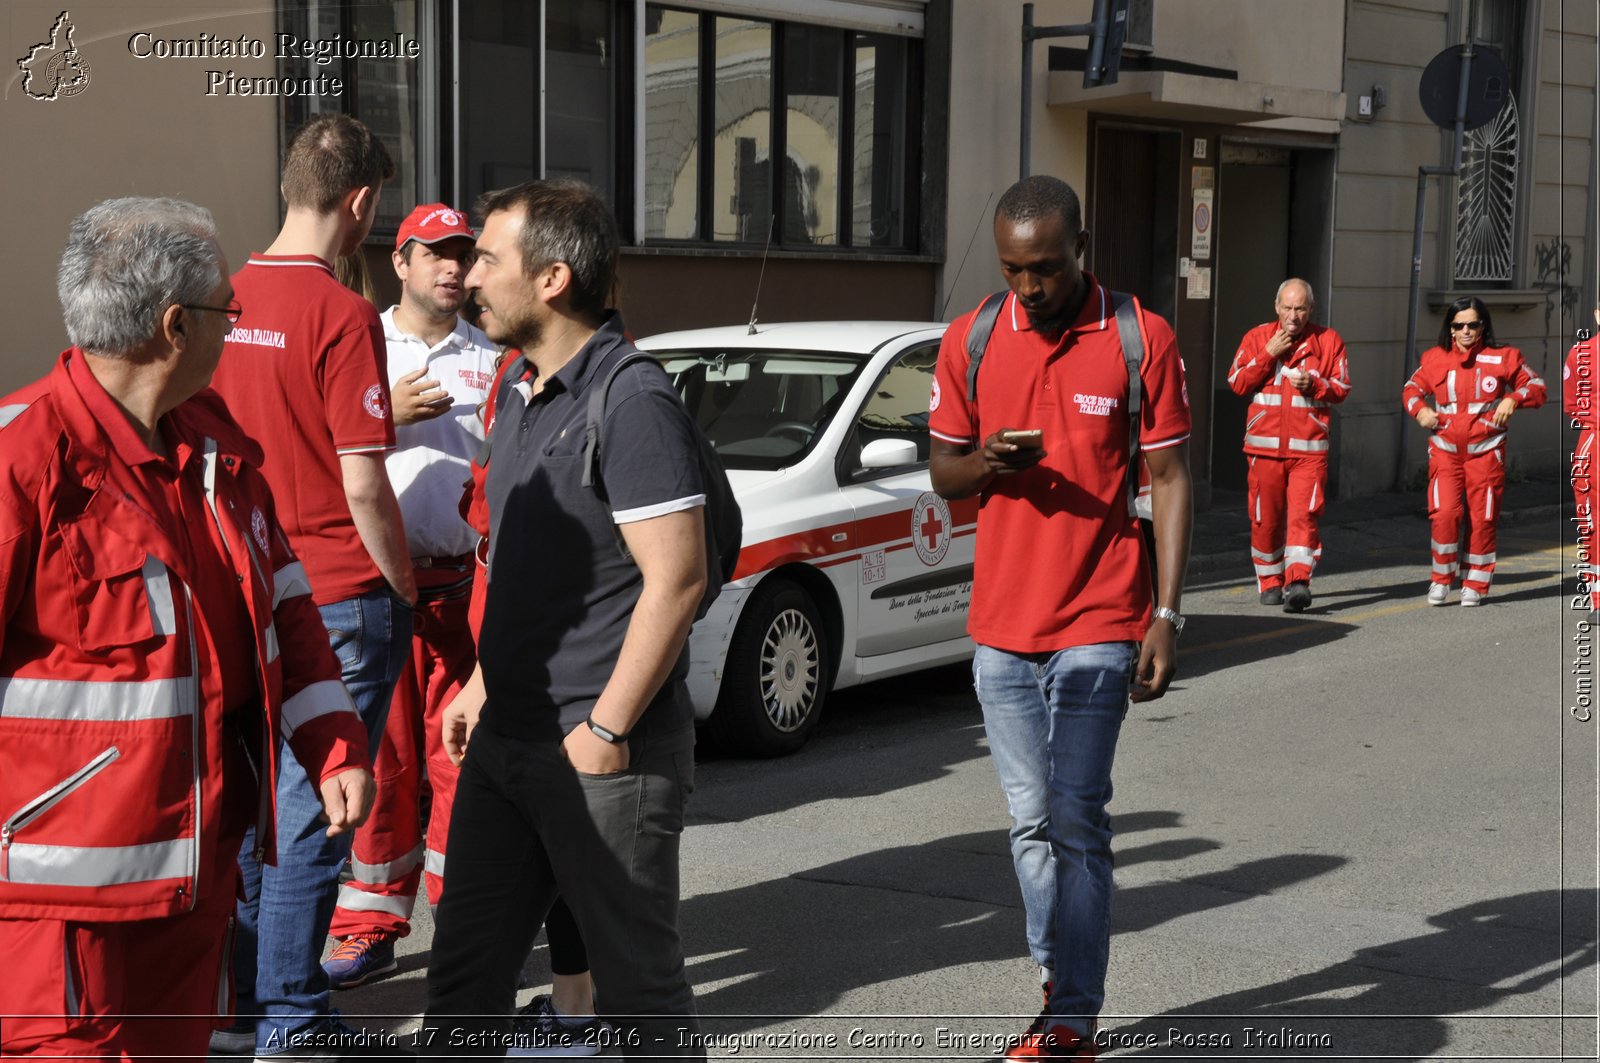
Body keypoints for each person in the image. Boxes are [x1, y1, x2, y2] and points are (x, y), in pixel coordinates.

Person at [0, 197, 372, 1060]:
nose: (236, 326)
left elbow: (286, 603)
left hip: (195, 887)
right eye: (227, 312)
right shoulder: (23, 461)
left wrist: (333, 737)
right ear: (176, 326)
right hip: (61, 917)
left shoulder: (217, 448)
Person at [422, 179, 706, 1059]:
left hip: (600, 752)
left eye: (490, 261)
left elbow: (680, 576)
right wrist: (477, 682)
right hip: (507, 738)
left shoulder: (632, 400)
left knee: (639, 992)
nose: (471, 278)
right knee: (464, 985)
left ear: (551, 279)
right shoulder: (521, 389)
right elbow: (514, 561)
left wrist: (608, 726)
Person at [930, 175, 1193, 1060]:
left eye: (1044, 268)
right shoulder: (970, 339)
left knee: (1077, 815)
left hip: (1099, 619)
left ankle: (1073, 1013)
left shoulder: (1136, 337)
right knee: (1030, 821)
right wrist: (990, 466)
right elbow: (943, 473)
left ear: (1080, 246)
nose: (1029, 288)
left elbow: (1170, 479)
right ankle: (1060, 974)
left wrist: (1167, 612)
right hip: (1000, 629)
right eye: (1013, 270)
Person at [210, 113, 418, 1056]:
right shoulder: (342, 314)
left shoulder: (225, 298)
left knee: (261, 808)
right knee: (317, 809)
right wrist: (403, 584)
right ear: (362, 202)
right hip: (336, 590)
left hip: (246, 591)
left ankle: (260, 999)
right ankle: (290, 1015)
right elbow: (365, 480)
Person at [322, 204, 497, 987]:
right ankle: (369, 922)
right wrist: (383, 413)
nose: (452, 269)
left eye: (463, 255)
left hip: (462, 590)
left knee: (462, 758)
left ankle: (460, 921)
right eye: (436, 254)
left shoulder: (492, 357)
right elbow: (317, 451)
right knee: (381, 765)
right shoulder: (359, 343)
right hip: (376, 586)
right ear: (402, 261)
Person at [1403, 297, 1546, 607]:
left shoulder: (1504, 357)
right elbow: (1410, 389)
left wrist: (1513, 399)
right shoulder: (1434, 358)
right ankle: (1441, 579)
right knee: (1445, 515)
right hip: (1445, 451)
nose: (1466, 330)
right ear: (1450, 329)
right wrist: (1420, 411)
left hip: (1486, 452)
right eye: (1459, 325)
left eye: (1473, 324)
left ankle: (1476, 583)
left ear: (1483, 327)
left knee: (1482, 518)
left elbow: (1536, 386)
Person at [1225, 279, 1351, 612]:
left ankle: (1298, 582)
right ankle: (1269, 582)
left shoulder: (1328, 340)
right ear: (1276, 306)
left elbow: (1342, 388)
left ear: (1311, 309)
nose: (1294, 316)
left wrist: (1315, 384)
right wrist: (1268, 354)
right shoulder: (1256, 338)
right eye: (1288, 308)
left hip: (1309, 451)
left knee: (1303, 517)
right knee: (1265, 519)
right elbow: (1237, 383)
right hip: (1263, 449)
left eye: (1301, 308)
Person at [1564, 298, 1599, 589]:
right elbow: (1573, 403)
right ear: (1598, 315)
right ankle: (1597, 596)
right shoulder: (1581, 354)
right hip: (1593, 443)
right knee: (1590, 516)